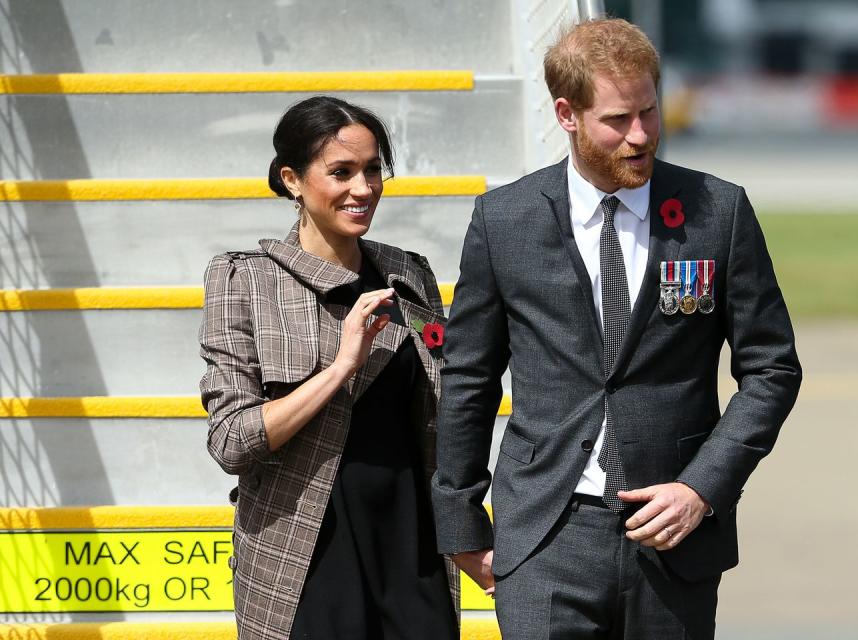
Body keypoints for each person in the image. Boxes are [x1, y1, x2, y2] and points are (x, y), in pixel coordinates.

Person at [432, 19, 801, 640]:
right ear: (566, 114)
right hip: (546, 532)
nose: (640, 136)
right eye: (617, 120)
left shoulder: (719, 211)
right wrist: (460, 516)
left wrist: (701, 490)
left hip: (672, 532)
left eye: (649, 113)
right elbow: (469, 374)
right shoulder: (505, 219)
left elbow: (772, 369)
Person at [199, 96, 458, 640]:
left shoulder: (409, 275)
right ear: (292, 180)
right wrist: (341, 367)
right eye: (340, 172)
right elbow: (230, 441)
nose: (362, 189)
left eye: (372, 170)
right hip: (304, 556)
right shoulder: (244, 281)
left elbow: (441, 416)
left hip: (410, 546)